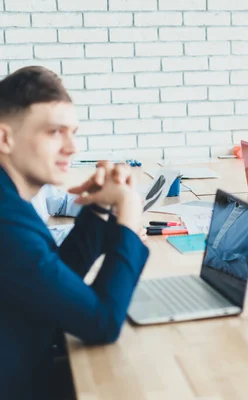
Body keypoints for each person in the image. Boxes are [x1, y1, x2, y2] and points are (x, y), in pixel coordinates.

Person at [0, 66, 149, 399]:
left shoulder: (10, 200)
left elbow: (53, 274)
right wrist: (128, 213)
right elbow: (103, 323)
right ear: (4, 139)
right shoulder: (6, 223)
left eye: (73, 132)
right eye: (55, 132)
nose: (73, 148)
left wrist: (97, 208)